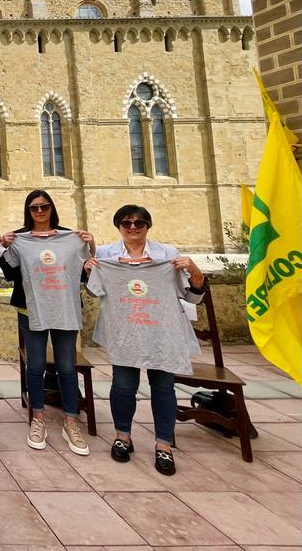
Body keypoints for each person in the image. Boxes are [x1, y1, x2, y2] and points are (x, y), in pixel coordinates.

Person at [86, 204, 207, 476]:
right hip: (125, 333)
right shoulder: (106, 255)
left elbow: (193, 296)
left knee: (163, 388)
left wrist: (195, 272)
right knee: (123, 386)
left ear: (148, 226)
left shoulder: (168, 255)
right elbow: (94, 291)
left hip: (160, 335)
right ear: (118, 227)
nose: (133, 227)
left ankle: (163, 445)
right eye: (126, 223)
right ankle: (122, 436)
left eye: (139, 223)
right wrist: (89, 269)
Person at [0, 189, 94, 455]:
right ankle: (38, 419)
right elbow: (8, 273)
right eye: (33, 208)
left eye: (44, 207)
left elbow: (85, 274)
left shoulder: (72, 239)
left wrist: (91, 247)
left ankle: (70, 420)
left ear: (52, 208)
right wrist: (5, 245)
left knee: (66, 365)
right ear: (27, 212)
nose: (39, 212)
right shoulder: (20, 239)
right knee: (36, 364)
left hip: (64, 308)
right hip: (32, 309)